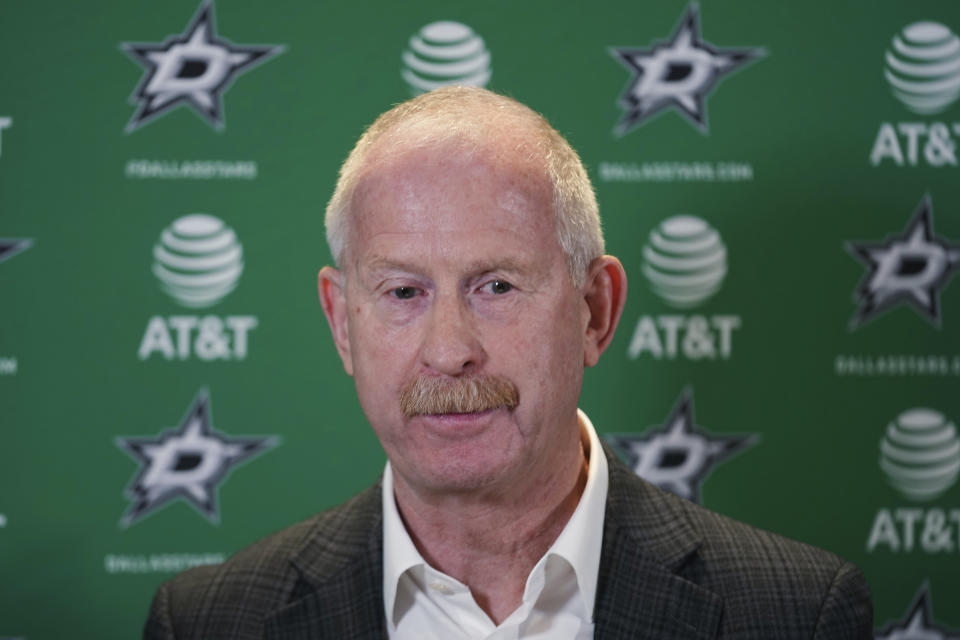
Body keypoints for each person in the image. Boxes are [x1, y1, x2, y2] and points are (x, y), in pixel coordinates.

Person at [144, 86, 872, 639]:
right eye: (403, 291)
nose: (449, 350)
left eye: (496, 286)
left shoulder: (794, 613)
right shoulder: (209, 622)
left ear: (595, 310)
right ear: (342, 323)